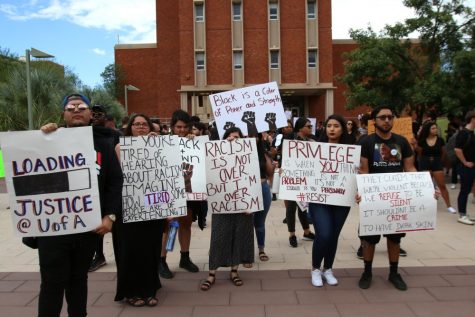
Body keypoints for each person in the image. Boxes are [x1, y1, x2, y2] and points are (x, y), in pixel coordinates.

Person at [39, 93, 123, 317]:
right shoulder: (48, 139)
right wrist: (40, 137)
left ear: (90, 114)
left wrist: (111, 216)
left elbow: (115, 182)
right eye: (71, 107)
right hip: (53, 229)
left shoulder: (104, 144)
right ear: (63, 114)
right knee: (51, 283)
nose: (76, 110)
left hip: (86, 228)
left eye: (82, 107)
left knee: (78, 280)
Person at [356, 106, 416, 291]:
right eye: (383, 117)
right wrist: (361, 192)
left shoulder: (402, 142)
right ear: (375, 121)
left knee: (395, 238)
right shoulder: (366, 142)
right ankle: (367, 271)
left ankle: (394, 272)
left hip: (396, 198)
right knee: (369, 239)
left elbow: (410, 168)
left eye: (390, 117)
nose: (387, 120)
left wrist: (422, 186)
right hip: (373, 198)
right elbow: (363, 171)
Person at [113, 114, 165, 307]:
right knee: (130, 249)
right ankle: (131, 291)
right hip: (129, 207)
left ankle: (150, 288)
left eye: (145, 124)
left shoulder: (159, 145)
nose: (141, 127)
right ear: (130, 127)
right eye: (137, 124)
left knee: (151, 248)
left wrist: (157, 145)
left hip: (153, 206)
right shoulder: (120, 147)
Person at [200, 127, 255, 291]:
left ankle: (234, 271)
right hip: (222, 204)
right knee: (218, 238)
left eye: (237, 137)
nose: (234, 140)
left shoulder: (247, 156)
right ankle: (211, 274)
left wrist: (252, 202)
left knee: (238, 236)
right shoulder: (216, 154)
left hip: (242, 205)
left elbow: (253, 180)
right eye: (230, 137)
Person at [309, 115, 353, 287]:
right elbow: (302, 169)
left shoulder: (351, 151)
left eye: (336, 126)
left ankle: (328, 269)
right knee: (324, 234)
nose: (332, 129)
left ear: (343, 129)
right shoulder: (315, 148)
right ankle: (315, 269)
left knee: (333, 236)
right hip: (319, 199)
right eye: (329, 126)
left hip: (342, 198)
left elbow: (360, 173)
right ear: (324, 128)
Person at [159, 110, 199, 278]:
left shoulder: (193, 141)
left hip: (188, 190)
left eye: (185, 127)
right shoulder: (163, 142)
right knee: (168, 226)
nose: (182, 130)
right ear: (172, 127)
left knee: (186, 223)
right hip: (169, 190)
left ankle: (185, 257)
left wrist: (193, 141)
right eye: (178, 127)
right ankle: (162, 260)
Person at [285, 117, 315, 247]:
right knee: (291, 207)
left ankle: (306, 232)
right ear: (301, 128)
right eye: (308, 126)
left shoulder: (312, 141)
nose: (310, 128)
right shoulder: (289, 140)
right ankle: (292, 235)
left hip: (305, 179)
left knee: (303, 206)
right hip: (292, 178)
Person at [416, 121, 456, 214]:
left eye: (436, 128)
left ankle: (449, 206)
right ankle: (424, 206)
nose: (436, 130)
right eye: (433, 128)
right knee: (426, 187)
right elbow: (420, 154)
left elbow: (443, 153)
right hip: (425, 163)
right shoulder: (422, 141)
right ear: (428, 130)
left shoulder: (440, 140)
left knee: (442, 185)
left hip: (437, 163)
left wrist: (439, 162)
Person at [252, 133, 274, 262]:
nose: (252, 138)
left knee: (260, 222)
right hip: (245, 190)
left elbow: (269, 172)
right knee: (246, 222)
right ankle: (246, 251)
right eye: (248, 135)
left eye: (255, 135)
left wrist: (269, 159)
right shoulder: (237, 151)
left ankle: (261, 249)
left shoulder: (263, 152)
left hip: (263, 188)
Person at [455, 110, 475, 225]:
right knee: (464, 190)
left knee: (467, 190)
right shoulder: (464, 133)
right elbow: (457, 150)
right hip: (466, 167)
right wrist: (465, 162)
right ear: (472, 119)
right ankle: (462, 214)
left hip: (471, 167)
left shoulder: (471, 133)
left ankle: (464, 213)